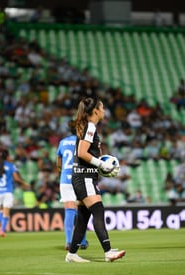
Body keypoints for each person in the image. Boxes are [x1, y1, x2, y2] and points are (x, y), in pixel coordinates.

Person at [65, 97, 125, 263]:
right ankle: (108, 252)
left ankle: (72, 254)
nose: (104, 111)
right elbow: (82, 152)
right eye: (102, 108)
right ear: (96, 111)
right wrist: (101, 164)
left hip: (83, 175)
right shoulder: (90, 126)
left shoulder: (88, 126)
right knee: (98, 210)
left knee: (84, 217)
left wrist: (98, 167)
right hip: (84, 177)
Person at [57, 125, 89, 250]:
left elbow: (58, 163)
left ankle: (69, 242)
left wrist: (64, 171)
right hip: (79, 177)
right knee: (82, 210)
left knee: (69, 210)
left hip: (65, 179)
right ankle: (82, 241)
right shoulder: (83, 142)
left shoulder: (63, 142)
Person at [0, 150, 28, 237]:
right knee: (6, 212)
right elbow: (16, 178)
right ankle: (2, 230)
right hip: (7, 192)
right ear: (7, 157)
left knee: (1, 209)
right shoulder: (11, 166)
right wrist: (23, 183)